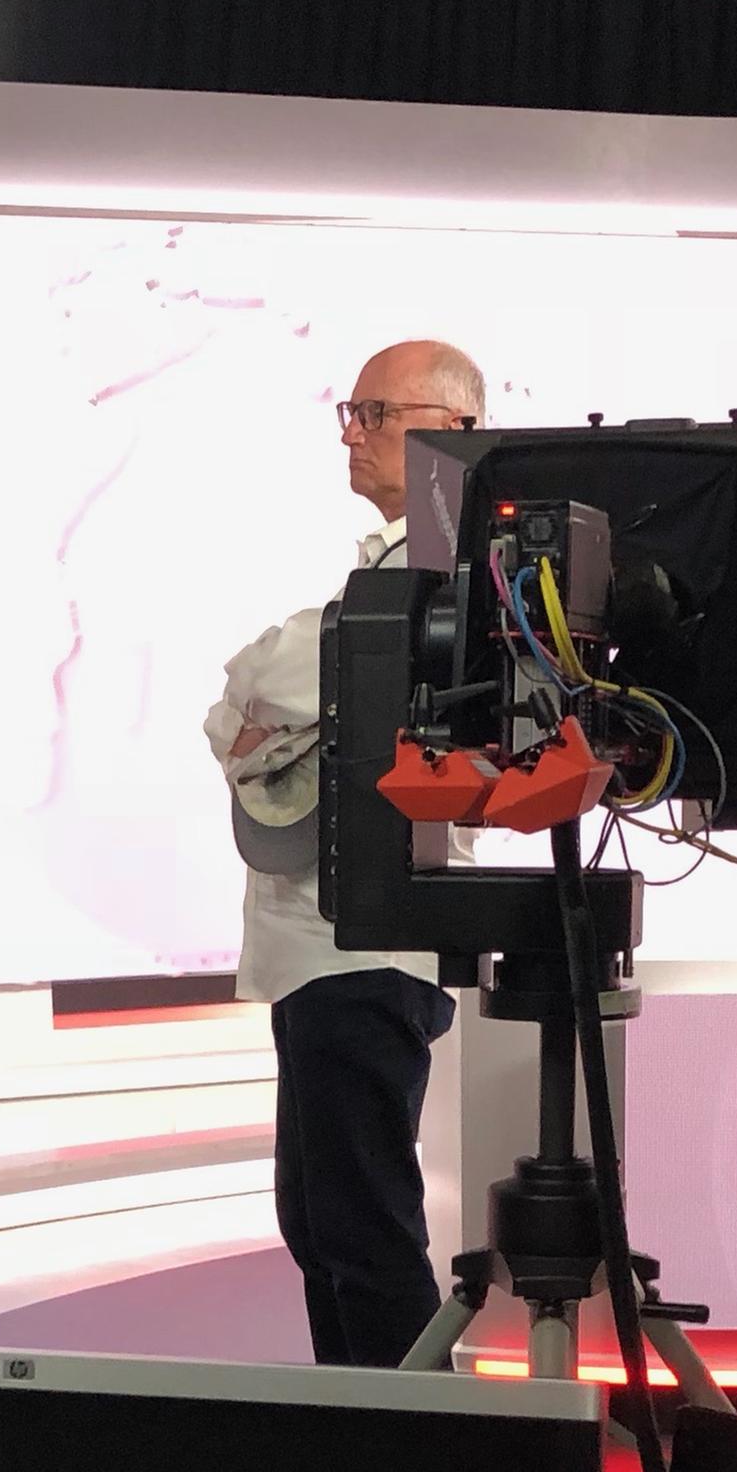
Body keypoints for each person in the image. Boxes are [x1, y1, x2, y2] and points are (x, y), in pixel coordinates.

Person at [205, 339, 481, 1366]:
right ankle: (362, 1425)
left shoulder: (435, 573)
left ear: (451, 431)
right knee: (321, 1224)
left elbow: (270, 677)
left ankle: (408, 1441)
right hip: (321, 949)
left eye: (375, 414)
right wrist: (260, 704)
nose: (352, 435)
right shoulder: (385, 566)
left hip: (362, 949)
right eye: (351, 414)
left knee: (361, 1229)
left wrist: (265, 707)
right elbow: (247, 700)